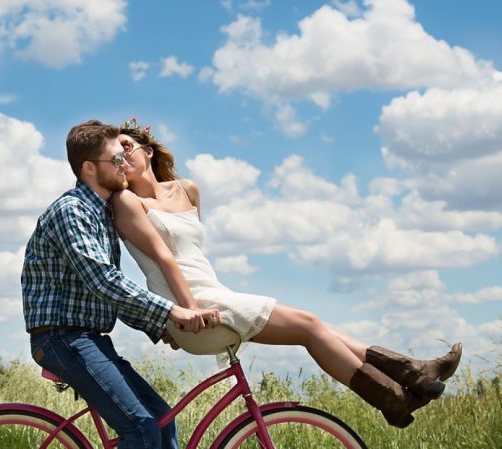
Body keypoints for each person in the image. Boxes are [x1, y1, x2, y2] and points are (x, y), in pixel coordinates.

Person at [112, 117, 462, 428]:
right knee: (309, 326)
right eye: (114, 155)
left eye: (127, 147)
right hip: (192, 307)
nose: (121, 157)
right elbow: (165, 260)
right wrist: (184, 313)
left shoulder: (187, 190)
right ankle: (397, 392)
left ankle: (410, 379)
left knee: (315, 327)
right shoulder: (128, 203)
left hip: (212, 295)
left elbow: (194, 257)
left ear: (148, 150)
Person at [21, 120, 224, 449]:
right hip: (62, 338)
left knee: (162, 420)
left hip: (89, 337)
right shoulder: (72, 211)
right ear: (90, 167)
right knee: (140, 428)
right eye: (117, 158)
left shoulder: (101, 213)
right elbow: (104, 281)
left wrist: (161, 328)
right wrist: (172, 313)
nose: (125, 165)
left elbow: (107, 292)